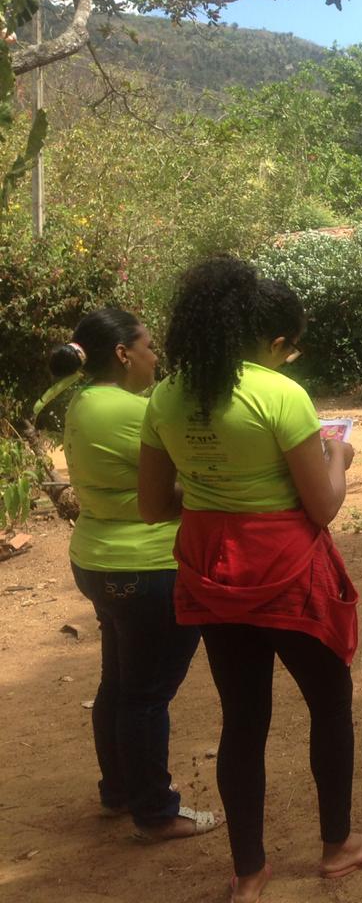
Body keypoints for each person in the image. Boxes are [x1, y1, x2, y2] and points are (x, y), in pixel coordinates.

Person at [137, 257, 362, 903]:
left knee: (242, 720)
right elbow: (323, 506)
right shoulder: (280, 395)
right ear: (269, 338)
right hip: (286, 572)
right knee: (329, 703)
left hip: (211, 570)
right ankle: (337, 847)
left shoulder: (166, 394)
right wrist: (338, 455)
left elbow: (153, 504)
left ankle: (249, 872)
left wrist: (215, 490)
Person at [40, 309, 217, 842]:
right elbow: (198, 470)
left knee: (121, 685)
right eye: (148, 346)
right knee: (146, 695)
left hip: (101, 560)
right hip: (146, 566)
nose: (155, 358)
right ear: (123, 353)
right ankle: (156, 812)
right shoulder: (130, 411)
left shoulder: (85, 401)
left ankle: (119, 790)